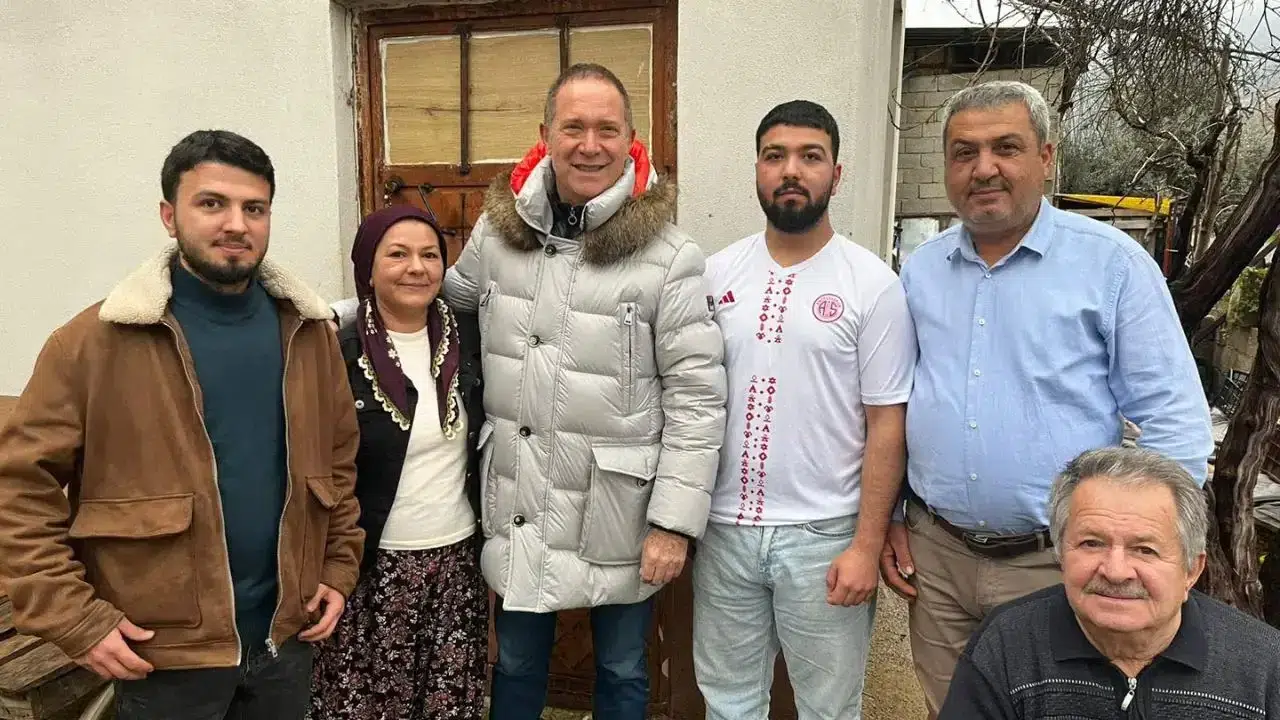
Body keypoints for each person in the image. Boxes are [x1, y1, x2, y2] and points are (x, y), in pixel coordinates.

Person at [0, 130, 363, 720]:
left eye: (254, 208)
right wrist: (74, 618)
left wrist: (338, 567)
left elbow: (339, 463)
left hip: (285, 641)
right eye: (212, 203)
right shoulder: (92, 343)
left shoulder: (308, 334)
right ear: (169, 216)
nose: (236, 224)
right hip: (161, 651)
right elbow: (19, 488)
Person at [880, 79, 1215, 717]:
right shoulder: (921, 270)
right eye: (964, 152)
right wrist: (894, 514)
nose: (984, 168)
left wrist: (1138, 549)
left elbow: (1174, 419)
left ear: (1046, 157)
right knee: (952, 707)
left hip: (1057, 563)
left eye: (1005, 147)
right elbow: (902, 400)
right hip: (938, 556)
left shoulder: (1111, 265)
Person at [445, 62, 725, 720]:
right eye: (573, 127)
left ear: (631, 139)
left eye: (607, 129)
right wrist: (338, 318)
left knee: (623, 670)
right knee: (515, 665)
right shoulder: (496, 234)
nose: (590, 145)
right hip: (518, 494)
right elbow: (438, 309)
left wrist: (673, 524)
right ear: (546, 133)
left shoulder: (670, 256)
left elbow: (696, 398)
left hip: (618, 510)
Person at [693, 100, 914, 719]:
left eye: (810, 156)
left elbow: (887, 424)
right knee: (728, 703)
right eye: (775, 156)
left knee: (828, 709)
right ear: (757, 171)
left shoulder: (872, 284)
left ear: (835, 175)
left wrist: (866, 545)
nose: (791, 170)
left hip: (825, 536)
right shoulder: (715, 275)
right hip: (725, 532)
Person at [939, 446, 1280, 718]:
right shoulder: (1009, 642)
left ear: (1191, 570)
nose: (1116, 572)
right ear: (1061, 554)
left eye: (1144, 550)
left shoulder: (1263, 666)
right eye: (1092, 543)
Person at [309, 205, 488, 719]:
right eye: (398, 255)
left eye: (430, 255)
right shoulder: (336, 352)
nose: (417, 267)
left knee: (447, 706)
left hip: (455, 566)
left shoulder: (470, 343)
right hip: (367, 567)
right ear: (368, 267)